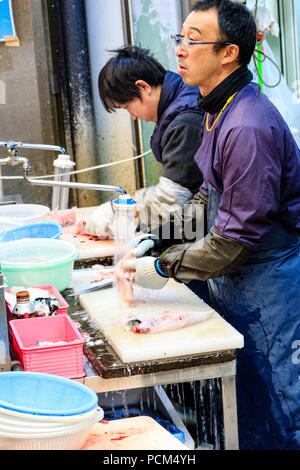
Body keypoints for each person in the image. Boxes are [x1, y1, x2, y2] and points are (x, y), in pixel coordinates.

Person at [123, 0, 300, 450]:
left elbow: (235, 237)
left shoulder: (247, 126)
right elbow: (209, 195)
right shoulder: (215, 109)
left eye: (192, 39)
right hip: (238, 280)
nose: (180, 50)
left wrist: (164, 267)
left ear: (229, 54)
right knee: (249, 397)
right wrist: (158, 237)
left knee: (281, 402)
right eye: (179, 38)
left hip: (268, 280)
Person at [85, 45, 204, 239]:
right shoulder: (180, 100)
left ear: (143, 87)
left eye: (127, 107)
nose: (132, 116)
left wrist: (117, 208)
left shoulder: (185, 122)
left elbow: (171, 201)